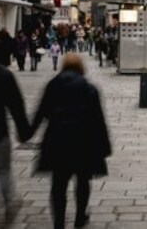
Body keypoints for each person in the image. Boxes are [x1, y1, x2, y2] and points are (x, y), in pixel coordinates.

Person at [31, 53, 111, 229]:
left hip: (57, 142)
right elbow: (98, 120)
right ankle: (79, 217)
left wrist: (28, 132)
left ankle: (59, 221)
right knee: (83, 181)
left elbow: (41, 112)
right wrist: (104, 147)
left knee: (58, 184)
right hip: (83, 142)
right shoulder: (89, 88)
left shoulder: (52, 86)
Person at [0, 34, 32, 222]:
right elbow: (16, 105)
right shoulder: (4, 75)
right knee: (3, 171)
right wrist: (23, 131)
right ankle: (8, 203)